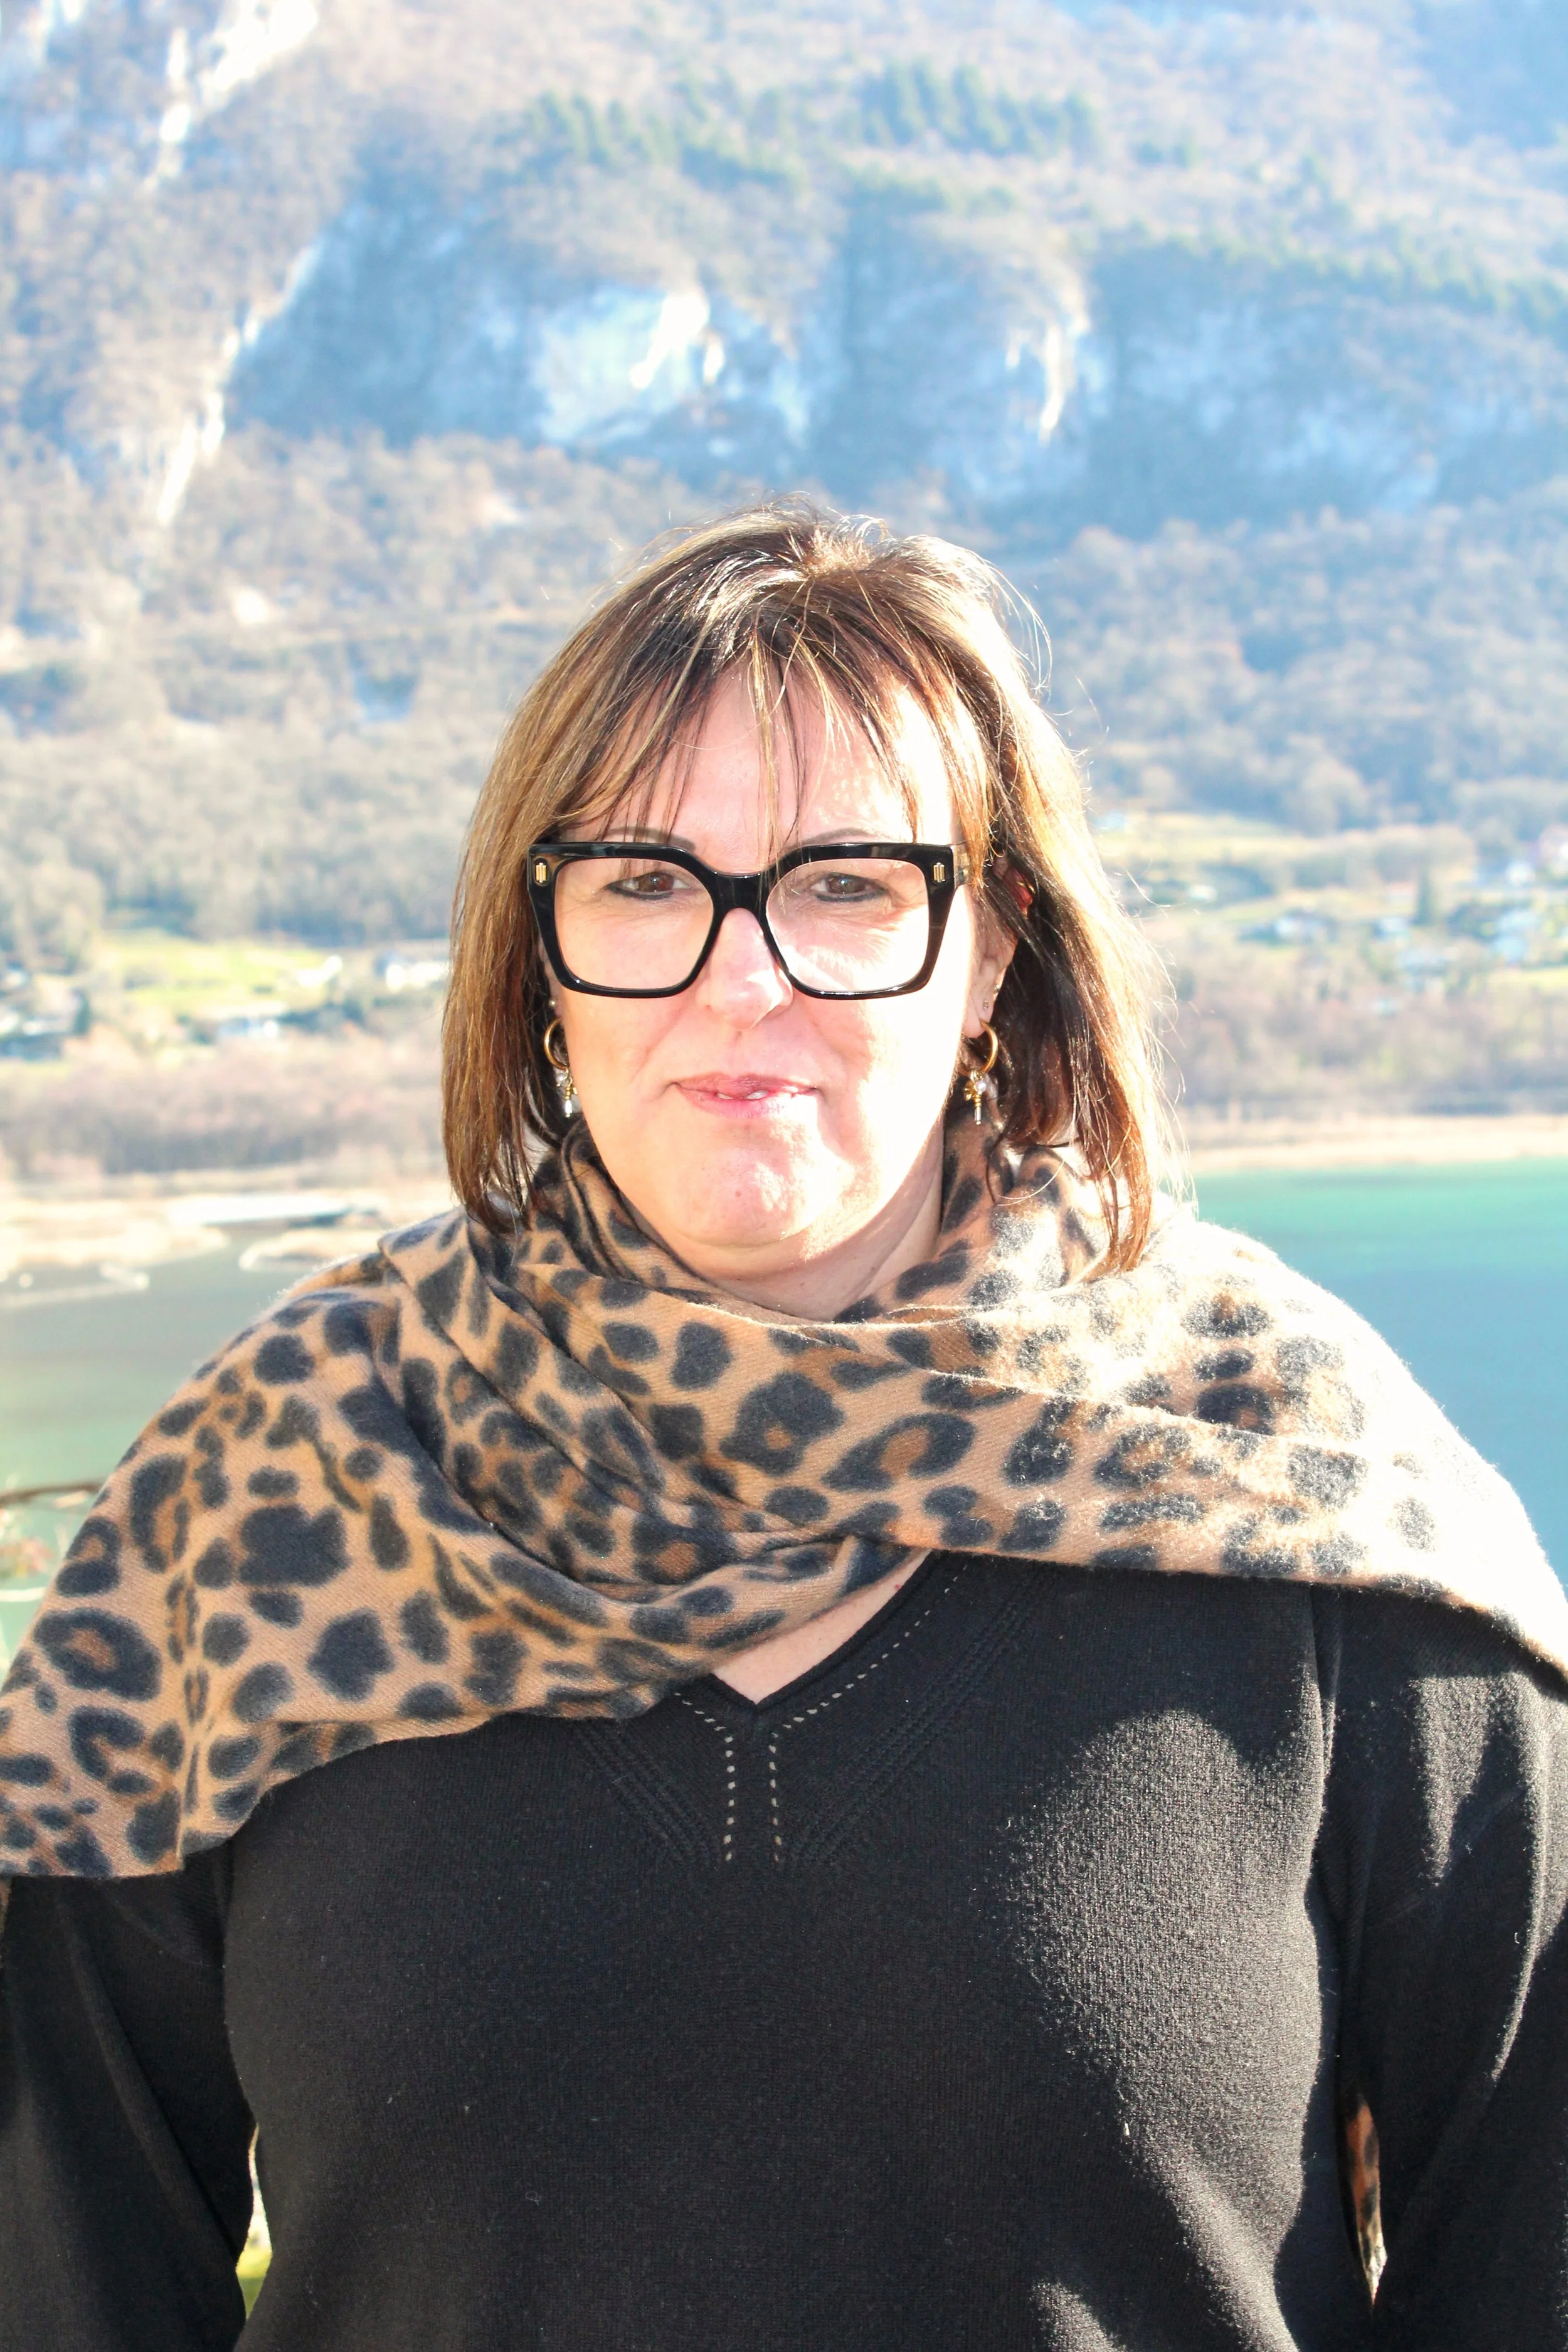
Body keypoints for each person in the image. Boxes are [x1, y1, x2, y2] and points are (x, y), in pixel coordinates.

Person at [2, 507, 1566, 2352]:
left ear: (992, 949)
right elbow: (62, 2263)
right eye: (641, 882)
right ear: (538, 955)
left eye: (845, 885)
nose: (739, 978)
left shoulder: (1291, 1489)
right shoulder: (280, 1490)